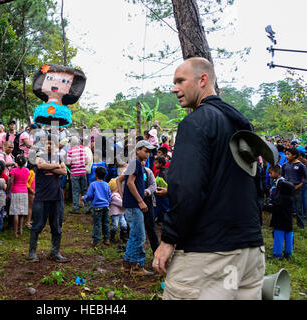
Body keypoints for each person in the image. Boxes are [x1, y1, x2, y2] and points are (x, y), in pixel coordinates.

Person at [153, 57, 265, 300]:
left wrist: (169, 239)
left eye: (180, 81)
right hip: (249, 253)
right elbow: (256, 185)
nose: (174, 89)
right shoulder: (241, 126)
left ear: (202, 79)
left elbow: (187, 189)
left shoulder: (196, 123)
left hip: (210, 256)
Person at [116, 140, 156, 276]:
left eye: (149, 152)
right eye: (145, 150)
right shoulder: (135, 163)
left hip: (131, 204)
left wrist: (124, 198)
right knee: (139, 236)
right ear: (138, 150)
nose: (148, 154)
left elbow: (121, 181)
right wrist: (140, 201)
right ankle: (137, 266)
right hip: (134, 205)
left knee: (134, 235)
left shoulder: (137, 164)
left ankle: (127, 264)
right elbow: (130, 183)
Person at [27, 136, 68, 262]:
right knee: (37, 225)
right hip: (41, 197)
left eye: (52, 144)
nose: (50, 146)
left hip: (56, 197)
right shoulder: (39, 155)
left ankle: (55, 252)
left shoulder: (60, 157)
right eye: (47, 143)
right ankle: (32, 253)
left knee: (56, 225)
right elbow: (40, 166)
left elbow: (64, 172)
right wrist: (56, 167)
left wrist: (49, 166)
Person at [265, 165, 294, 260]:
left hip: (279, 217)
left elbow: (275, 206)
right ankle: (288, 254)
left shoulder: (279, 197)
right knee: (289, 233)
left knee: (278, 233)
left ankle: (277, 254)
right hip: (288, 217)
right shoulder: (290, 197)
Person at [83, 166, 111, 246]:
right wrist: (107, 202)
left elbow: (89, 195)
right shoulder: (106, 184)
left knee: (97, 223)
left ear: (95, 175)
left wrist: (84, 198)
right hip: (106, 206)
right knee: (106, 223)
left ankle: (96, 240)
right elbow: (109, 195)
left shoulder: (93, 184)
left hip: (97, 207)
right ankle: (106, 239)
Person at [282, 147, 307, 229]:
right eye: (286, 154)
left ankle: (301, 226)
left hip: (296, 189)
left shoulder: (300, 165)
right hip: (286, 189)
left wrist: (299, 185)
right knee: (286, 207)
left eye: (288, 154)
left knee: (299, 208)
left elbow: (306, 177)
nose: (286, 156)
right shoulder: (285, 165)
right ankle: (286, 224)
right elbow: (282, 176)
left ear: (294, 155)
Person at [8, 155, 30, 237]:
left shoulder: (13, 171)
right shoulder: (27, 170)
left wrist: (7, 192)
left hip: (15, 191)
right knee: (22, 212)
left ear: (16, 162)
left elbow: (11, 182)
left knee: (15, 212)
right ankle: (21, 229)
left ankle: (15, 232)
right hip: (24, 191)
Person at [67, 136, 88, 214]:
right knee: (84, 190)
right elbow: (87, 161)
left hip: (75, 173)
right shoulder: (82, 149)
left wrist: (71, 165)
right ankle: (88, 207)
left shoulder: (70, 151)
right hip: (83, 172)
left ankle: (76, 208)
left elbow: (68, 163)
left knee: (75, 191)